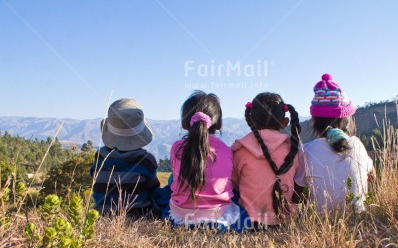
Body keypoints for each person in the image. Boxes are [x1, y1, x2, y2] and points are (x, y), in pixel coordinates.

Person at [169, 91, 250, 232]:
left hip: (181, 216)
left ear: (184, 123)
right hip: (218, 215)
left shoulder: (176, 147)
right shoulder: (226, 150)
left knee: (168, 185)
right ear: (218, 124)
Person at [294, 73, 375, 213]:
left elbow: (295, 195)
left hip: (319, 220)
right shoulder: (357, 144)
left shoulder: (306, 151)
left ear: (314, 122)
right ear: (347, 120)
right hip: (358, 216)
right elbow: (372, 177)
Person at [232, 92, 302, 227]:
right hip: (287, 219)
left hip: (249, 220)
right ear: (285, 123)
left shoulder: (240, 150)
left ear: (250, 120)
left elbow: (234, 182)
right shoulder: (292, 150)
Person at [90, 98, 160, 215]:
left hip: (101, 213)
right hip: (138, 215)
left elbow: (94, 178)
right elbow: (153, 189)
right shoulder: (146, 160)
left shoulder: (100, 156)